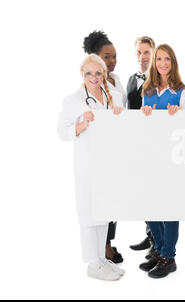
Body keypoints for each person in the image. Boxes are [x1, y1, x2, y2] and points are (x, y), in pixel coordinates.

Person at [58, 54, 125, 281]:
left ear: (104, 74)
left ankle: (101, 259)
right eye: (89, 73)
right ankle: (92, 263)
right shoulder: (73, 100)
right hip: (87, 165)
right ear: (82, 74)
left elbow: (124, 127)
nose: (94, 78)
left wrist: (120, 117)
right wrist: (81, 124)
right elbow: (62, 132)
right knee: (88, 212)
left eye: (98, 73)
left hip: (109, 164)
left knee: (104, 212)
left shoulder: (115, 97)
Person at [137, 44, 185, 279]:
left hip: (172, 159)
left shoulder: (183, 91)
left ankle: (169, 256)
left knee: (169, 209)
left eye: (167, 59)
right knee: (150, 207)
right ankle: (159, 250)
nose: (163, 63)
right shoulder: (146, 91)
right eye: (159, 59)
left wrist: (178, 116)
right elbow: (141, 128)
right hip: (150, 157)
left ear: (173, 62)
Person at [83, 30, 126, 263]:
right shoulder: (90, 84)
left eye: (114, 57)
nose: (112, 61)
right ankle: (103, 247)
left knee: (115, 198)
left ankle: (109, 241)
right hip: (97, 151)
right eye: (107, 57)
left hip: (116, 149)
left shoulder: (117, 81)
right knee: (100, 199)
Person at [127, 36, 156, 253]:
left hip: (154, 142)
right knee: (143, 192)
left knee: (155, 191)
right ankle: (149, 234)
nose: (142, 56)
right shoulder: (130, 79)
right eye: (138, 52)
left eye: (146, 52)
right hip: (136, 141)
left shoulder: (158, 79)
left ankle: (158, 243)